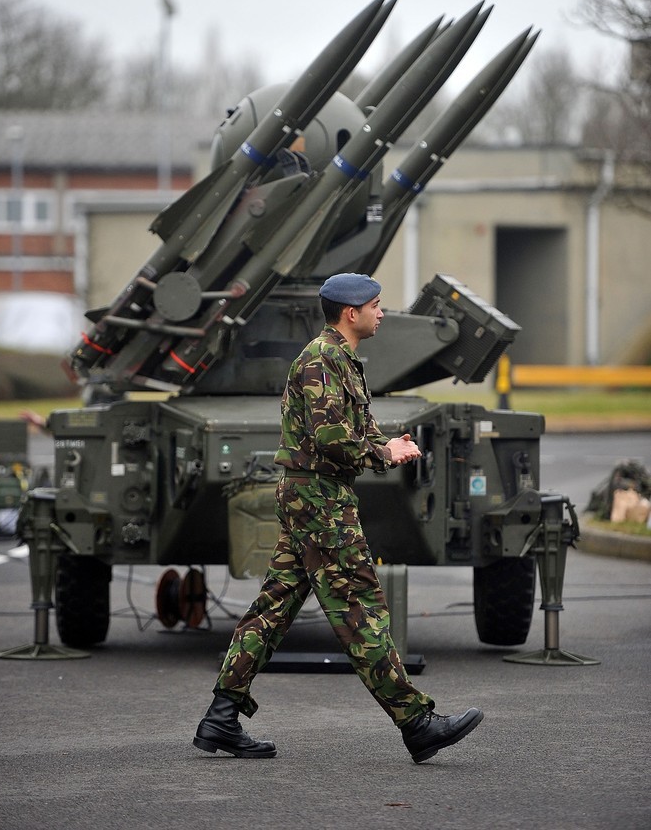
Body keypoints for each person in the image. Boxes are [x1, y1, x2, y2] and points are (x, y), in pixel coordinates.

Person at [193, 272, 483, 763]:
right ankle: (416, 723)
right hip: (319, 499)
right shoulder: (322, 360)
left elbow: (351, 430)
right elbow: (331, 440)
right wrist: (381, 452)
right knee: (359, 605)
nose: (382, 313)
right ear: (352, 313)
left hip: (315, 495)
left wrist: (391, 447)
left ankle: (221, 718)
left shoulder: (342, 359)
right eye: (376, 305)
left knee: (275, 606)